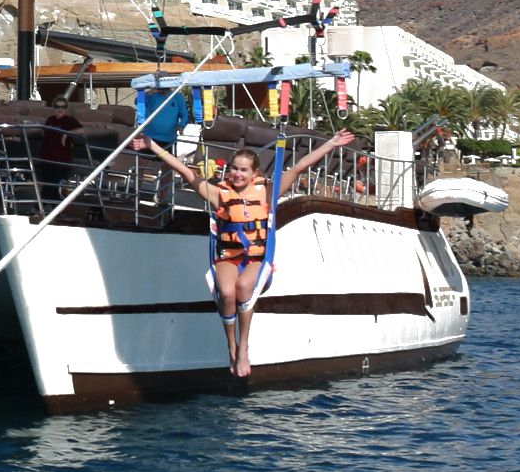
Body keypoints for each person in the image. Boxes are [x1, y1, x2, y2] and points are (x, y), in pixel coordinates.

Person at [140, 129, 359, 380]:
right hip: (228, 255)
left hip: (256, 258)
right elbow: (187, 172)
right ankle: (231, 345)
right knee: (227, 292)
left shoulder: (266, 193)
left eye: (244, 170)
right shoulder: (220, 194)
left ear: (254, 174)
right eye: (234, 168)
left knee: (244, 287)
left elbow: (299, 167)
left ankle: (243, 346)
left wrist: (331, 143)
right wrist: (152, 145)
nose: (237, 174)